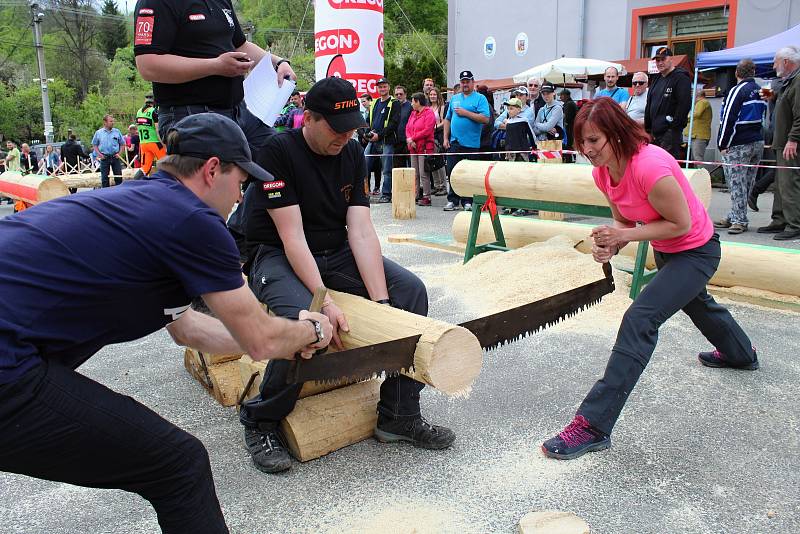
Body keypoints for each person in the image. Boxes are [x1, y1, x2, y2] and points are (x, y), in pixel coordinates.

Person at [0, 113, 333, 533]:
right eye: (240, 181)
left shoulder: (144, 203)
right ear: (213, 170)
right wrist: (311, 331)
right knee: (178, 464)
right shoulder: (193, 219)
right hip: (7, 365)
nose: (241, 194)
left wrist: (279, 337)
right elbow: (262, 340)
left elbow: (187, 329)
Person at [237, 77, 456, 474]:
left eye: (352, 126)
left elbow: (360, 231)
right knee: (305, 320)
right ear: (309, 119)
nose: (347, 135)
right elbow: (291, 237)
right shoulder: (276, 152)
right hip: (277, 255)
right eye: (338, 129)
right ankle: (262, 419)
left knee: (409, 292)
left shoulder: (353, 152)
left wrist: (383, 305)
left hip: (333, 251)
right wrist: (326, 299)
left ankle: (399, 414)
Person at [541, 97, 758, 461]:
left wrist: (623, 236)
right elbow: (624, 223)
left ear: (615, 133)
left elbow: (681, 223)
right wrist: (609, 245)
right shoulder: (603, 173)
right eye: (582, 142)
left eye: (594, 140)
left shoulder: (651, 166)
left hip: (697, 251)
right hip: (668, 250)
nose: (587, 149)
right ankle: (740, 354)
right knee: (697, 302)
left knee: (640, 318)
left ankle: (593, 425)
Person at [133, 0, 296, 153]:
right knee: (216, 178)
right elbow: (147, 65)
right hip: (189, 113)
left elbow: (240, 44)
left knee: (279, 160)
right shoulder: (155, 3)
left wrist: (278, 62)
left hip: (239, 109)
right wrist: (215, 66)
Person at [714, 59, 767, 235]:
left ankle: (739, 219)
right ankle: (735, 214)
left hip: (738, 142)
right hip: (757, 140)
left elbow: (729, 118)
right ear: (753, 72)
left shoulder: (736, 91)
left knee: (736, 183)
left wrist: (722, 143)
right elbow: (766, 113)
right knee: (748, 182)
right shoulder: (762, 90)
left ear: (737, 73)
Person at [758, 46, 800, 240]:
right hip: (780, 141)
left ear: (786, 62)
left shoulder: (797, 81)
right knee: (780, 183)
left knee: (789, 183)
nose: (773, 65)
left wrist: (793, 139)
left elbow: (799, 115)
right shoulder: (785, 81)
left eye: (775, 62)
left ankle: (794, 225)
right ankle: (779, 220)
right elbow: (768, 99)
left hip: (790, 143)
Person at [442, 70, 490, 211]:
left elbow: (485, 118)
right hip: (454, 141)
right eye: (462, 82)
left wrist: (466, 113)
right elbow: (447, 119)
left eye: (467, 81)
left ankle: (467, 201)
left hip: (471, 143)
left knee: (468, 174)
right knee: (452, 172)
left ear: (472, 82)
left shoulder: (480, 99)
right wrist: (445, 137)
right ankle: (452, 199)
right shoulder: (455, 98)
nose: (465, 84)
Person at [645, 47, 692, 160]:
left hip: (670, 133)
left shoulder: (680, 77)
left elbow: (684, 105)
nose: (660, 63)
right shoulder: (656, 79)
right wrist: (648, 129)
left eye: (663, 59)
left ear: (671, 59)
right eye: (657, 60)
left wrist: (673, 128)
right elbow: (649, 104)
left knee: (666, 167)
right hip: (654, 134)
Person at [365, 77, 400, 204]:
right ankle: (364, 193)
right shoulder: (374, 102)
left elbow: (394, 124)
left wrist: (379, 136)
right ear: (377, 88)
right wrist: (367, 132)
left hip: (387, 140)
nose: (382, 88)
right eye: (380, 87)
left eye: (384, 86)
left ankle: (386, 194)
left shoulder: (394, 103)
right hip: (372, 140)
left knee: (386, 169)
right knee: (365, 165)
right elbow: (369, 120)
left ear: (389, 87)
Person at [406, 91, 436, 206]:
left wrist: (412, 138)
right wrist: (409, 139)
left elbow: (427, 130)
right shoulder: (413, 113)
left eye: (413, 101)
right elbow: (408, 127)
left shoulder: (429, 113)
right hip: (413, 147)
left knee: (424, 173)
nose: (411, 104)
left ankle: (427, 196)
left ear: (418, 102)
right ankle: (416, 194)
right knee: (415, 173)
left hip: (424, 147)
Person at [136, 93, 167, 176]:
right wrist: (163, 144)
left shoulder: (139, 112)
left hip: (143, 143)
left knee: (144, 169)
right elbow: (157, 130)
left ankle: (136, 185)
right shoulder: (154, 111)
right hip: (155, 142)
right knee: (166, 165)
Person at [92, 115, 126, 187]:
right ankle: (105, 194)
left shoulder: (117, 132)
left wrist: (119, 153)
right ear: (105, 122)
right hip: (104, 157)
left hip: (115, 157)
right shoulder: (98, 133)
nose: (112, 123)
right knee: (104, 179)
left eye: (113, 121)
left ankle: (119, 194)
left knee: (118, 177)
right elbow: (94, 144)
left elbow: (122, 144)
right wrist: (99, 154)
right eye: (111, 121)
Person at [427, 86, 448, 195]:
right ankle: (436, 185)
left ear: (438, 95)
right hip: (430, 136)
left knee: (439, 161)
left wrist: (434, 128)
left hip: (438, 135)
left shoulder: (442, 107)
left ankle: (443, 186)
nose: (432, 96)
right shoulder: (428, 108)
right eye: (431, 94)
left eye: (434, 94)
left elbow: (444, 121)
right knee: (432, 160)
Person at [685, 85, 712, 164]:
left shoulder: (703, 102)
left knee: (697, 160)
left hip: (698, 136)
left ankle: (701, 176)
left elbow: (696, 114)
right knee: (695, 160)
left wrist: (683, 118)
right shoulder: (700, 103)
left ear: (697, 95)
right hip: (695, 136)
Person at [502, 97, 535, 162]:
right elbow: (508, 137)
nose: (509, 111)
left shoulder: (524, 120)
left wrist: (534, 147)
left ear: (519, 109)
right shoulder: (508, 122)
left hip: (522, 151)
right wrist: (506, 148)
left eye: (511, 109)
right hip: (510, 152)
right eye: (508, 109)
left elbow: (531, 134)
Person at [393, 85, 413, 170]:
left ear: (405, 95)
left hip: (408, 141)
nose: (398, 96)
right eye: (396, 94)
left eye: (401, 94)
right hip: (396, 142)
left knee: (411, 168)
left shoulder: (411, 106)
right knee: (398, 169)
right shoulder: (392, 106)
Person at [559, 89, 578, 161]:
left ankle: (569, 160)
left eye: (561, 95)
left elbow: (566, 118)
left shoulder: (569, 104)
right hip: (570, 128)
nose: (560, 97)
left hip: (570, 129)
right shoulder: (570, 103)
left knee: (568, 146)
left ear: (565, 95)